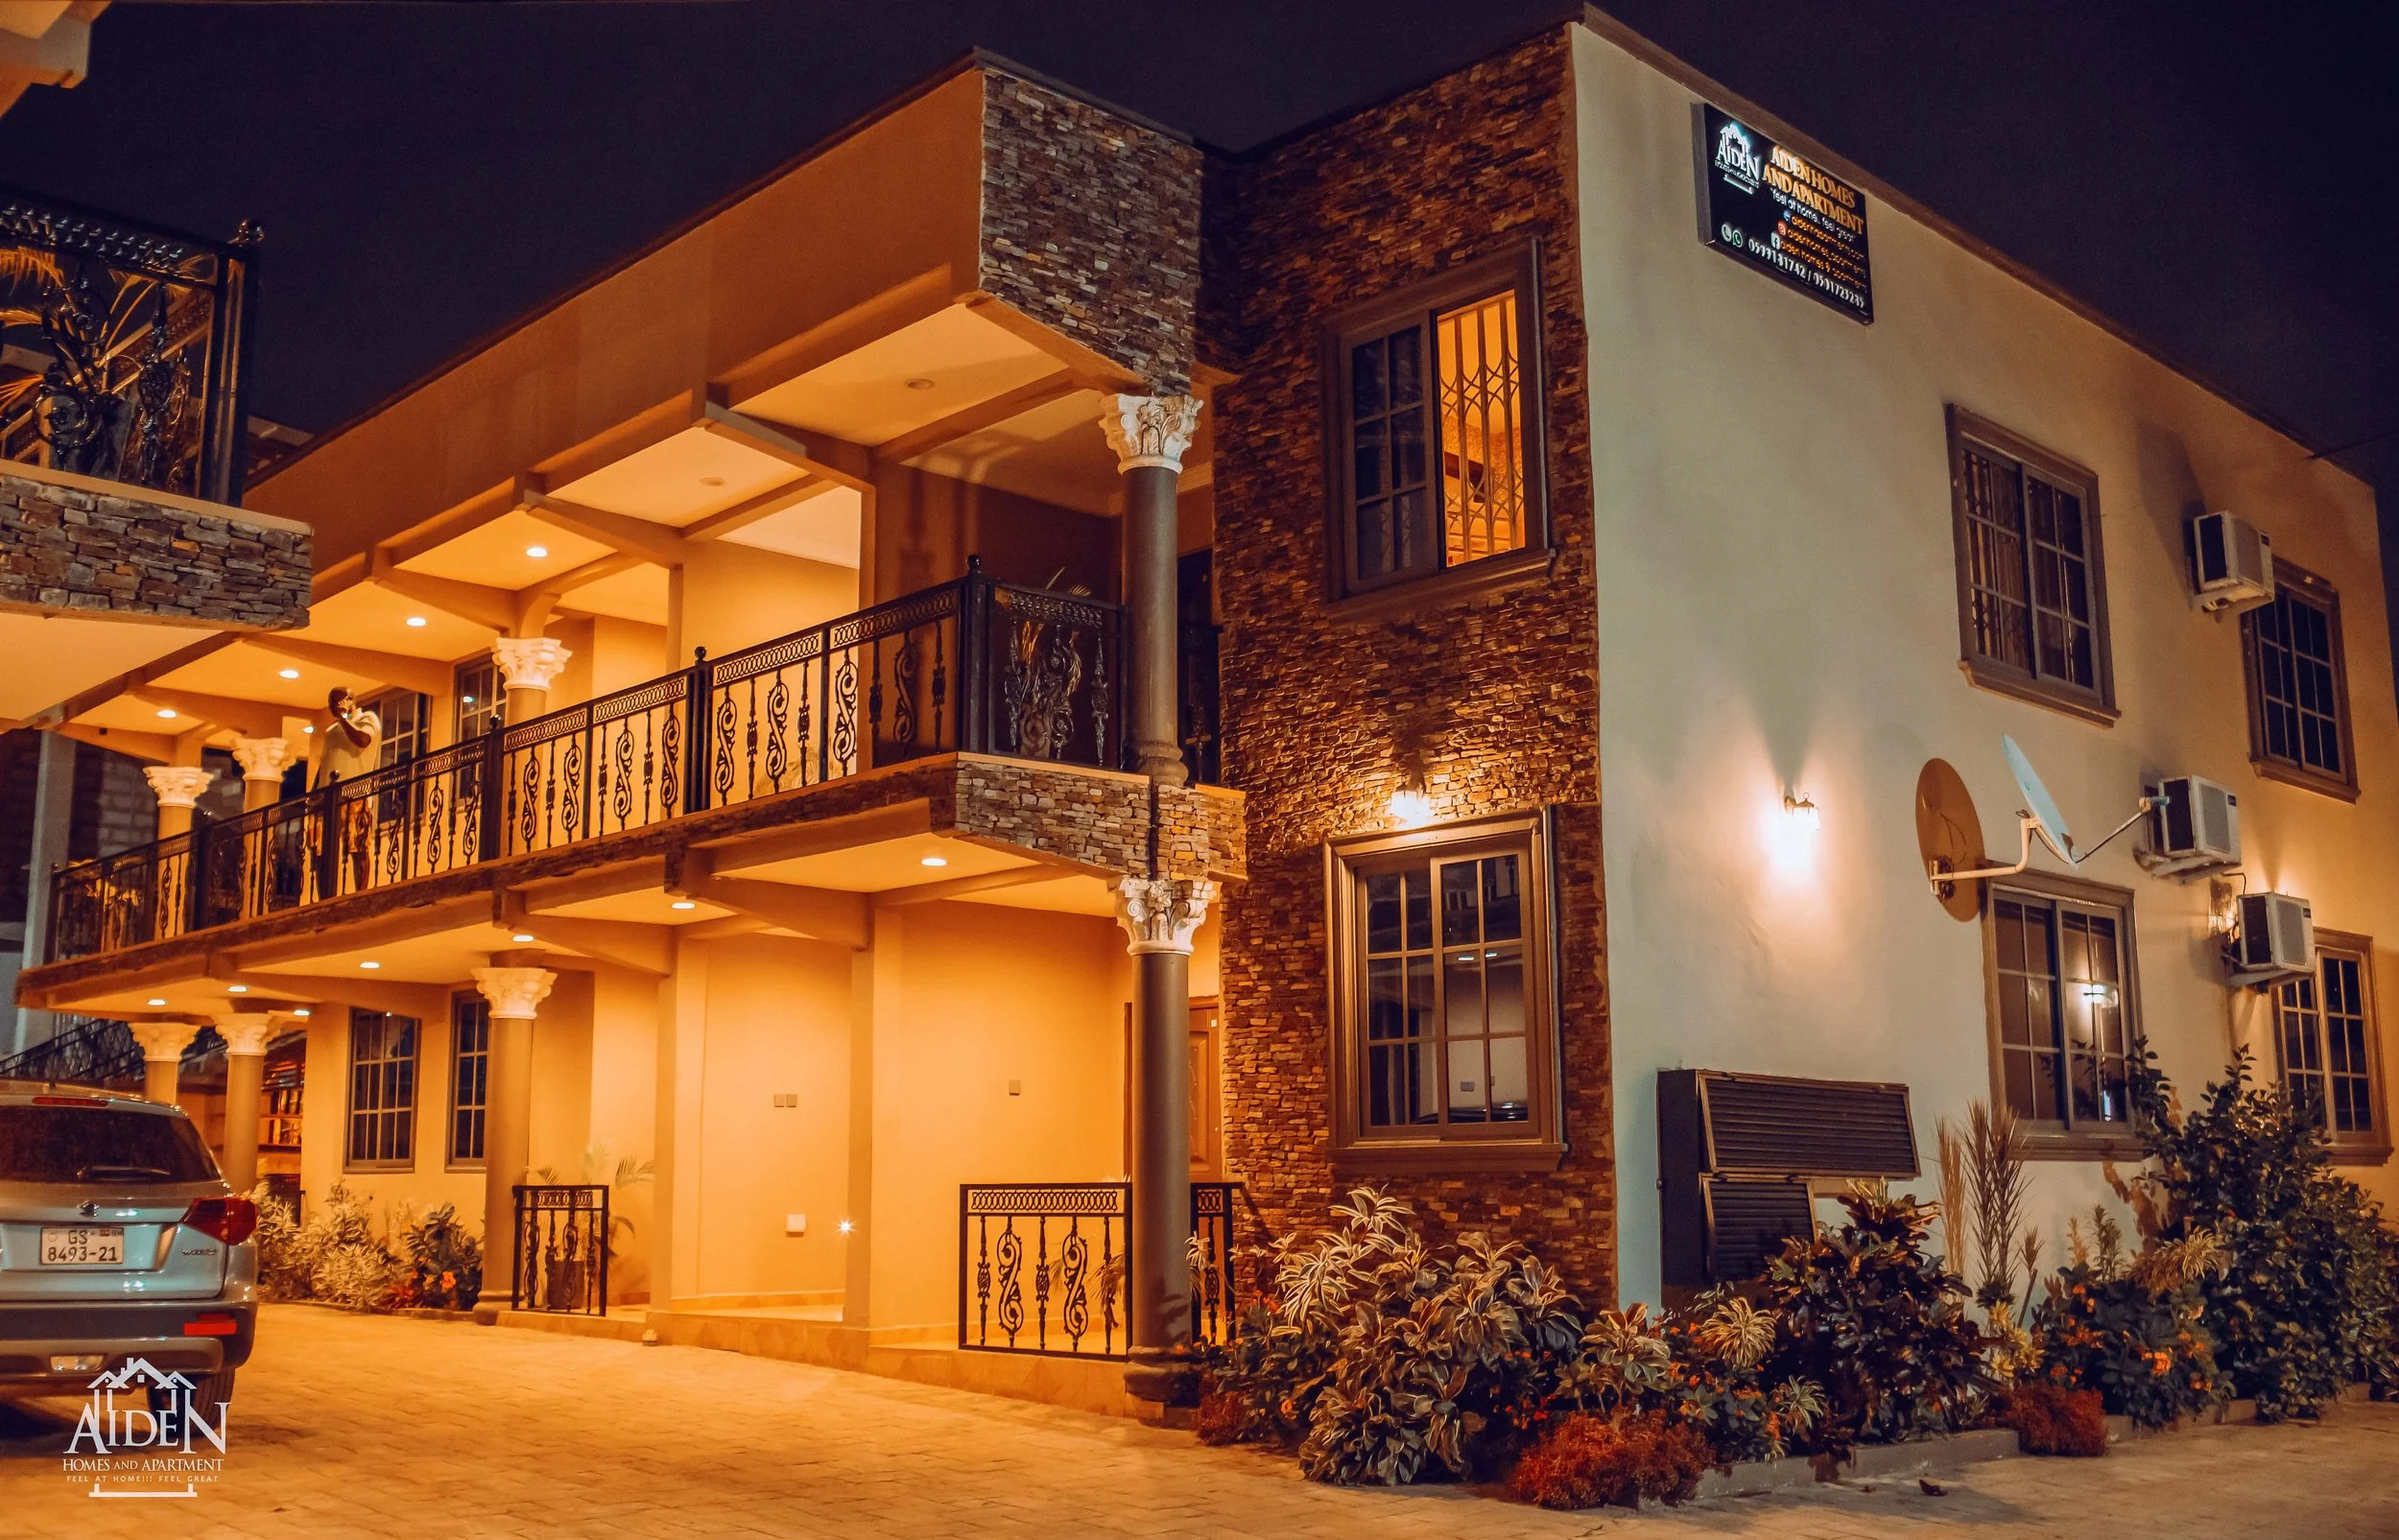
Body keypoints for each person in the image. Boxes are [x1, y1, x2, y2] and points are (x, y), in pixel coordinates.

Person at [315, 688, 382, 892]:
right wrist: (314, 792)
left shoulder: (367, 718)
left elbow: (363, 740)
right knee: (320, 848)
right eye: (330, 704)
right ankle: (325, 897)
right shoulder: (331, 730)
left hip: (355, 794)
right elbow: (325, 762)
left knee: (358, 845)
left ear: (349, 700)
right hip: (326, 798)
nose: (333, 708)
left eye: (337, 702)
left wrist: (343, 718)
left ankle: (361, 894)